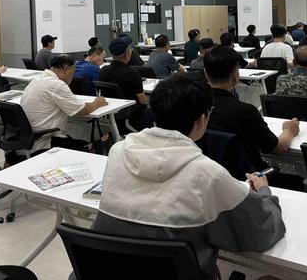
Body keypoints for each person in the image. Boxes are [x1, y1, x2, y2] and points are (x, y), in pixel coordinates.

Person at [93, 74, 286, 280]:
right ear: (202, 119)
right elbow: (262, 233)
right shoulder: (207, 173)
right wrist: (263, 190)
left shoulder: (118, 151)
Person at [204, 46, 301, 189]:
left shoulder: (193, 108)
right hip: (251, 182)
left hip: (211, 178)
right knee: (299, 181)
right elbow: (278, 148)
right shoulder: (245, 111)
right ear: (236, 77)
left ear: (205, 73)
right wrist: (289, 130)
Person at [21, 54, 107, 152]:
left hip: (30, 138)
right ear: (66, 69)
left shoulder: (37, 80)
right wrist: (97, 102)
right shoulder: (57, 84)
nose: (72, 77)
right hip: (45, 141)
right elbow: (82, 110)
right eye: (73, 73)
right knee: (89, 145)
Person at [101, 35, 152, 130]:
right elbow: (142, 100)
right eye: (130, 49)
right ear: (127, 53)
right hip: (134, 115)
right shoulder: (132, 73)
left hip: (112, 113)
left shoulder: (103, 71)